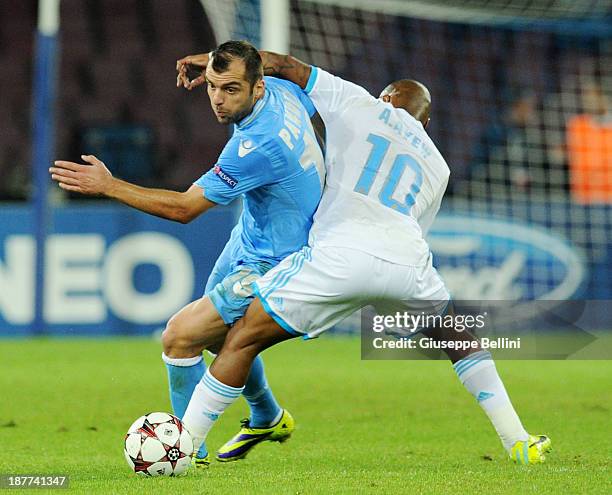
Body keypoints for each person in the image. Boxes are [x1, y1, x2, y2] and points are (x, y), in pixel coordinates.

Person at [176, 50, 551, 465]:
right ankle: (517, 439)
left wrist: (214, 60)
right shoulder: (439, 165)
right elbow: (415, 228)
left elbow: (280, 64)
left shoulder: (361, 102)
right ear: (425, 123)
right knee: (458, 339)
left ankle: (184, 446)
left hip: (338, 256)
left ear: (386, 97)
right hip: (406, 262)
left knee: (242, 339)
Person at [50, 41, 326, 466]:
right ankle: (267, 416)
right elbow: (275, 63)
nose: (217, 98)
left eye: (231, 89)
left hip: (277, 262)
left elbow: (184, 210)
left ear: (256, 89)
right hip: (252, 238)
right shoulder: (284, 91)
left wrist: (109, 186)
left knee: (180, 337)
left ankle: (182, 450)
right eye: (213, 86)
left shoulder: (255, 147)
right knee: (218, 338)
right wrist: (216, 61)